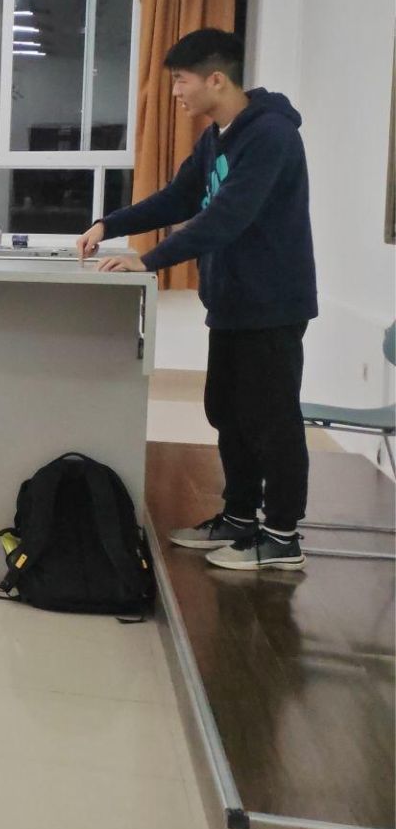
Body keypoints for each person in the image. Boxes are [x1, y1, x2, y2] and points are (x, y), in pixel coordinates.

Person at [78, 28, 317, 572]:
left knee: (271, 419)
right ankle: (239, 517)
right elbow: (180, 198)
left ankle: (282, 535)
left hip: (272, 303)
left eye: (181, 81)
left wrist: (149, 260)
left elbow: (227, 217)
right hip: (231, 300)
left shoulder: (271, 135)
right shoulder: (216, 138)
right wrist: (110, 224)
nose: (176, 93)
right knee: (228, 412)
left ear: (216, 79)